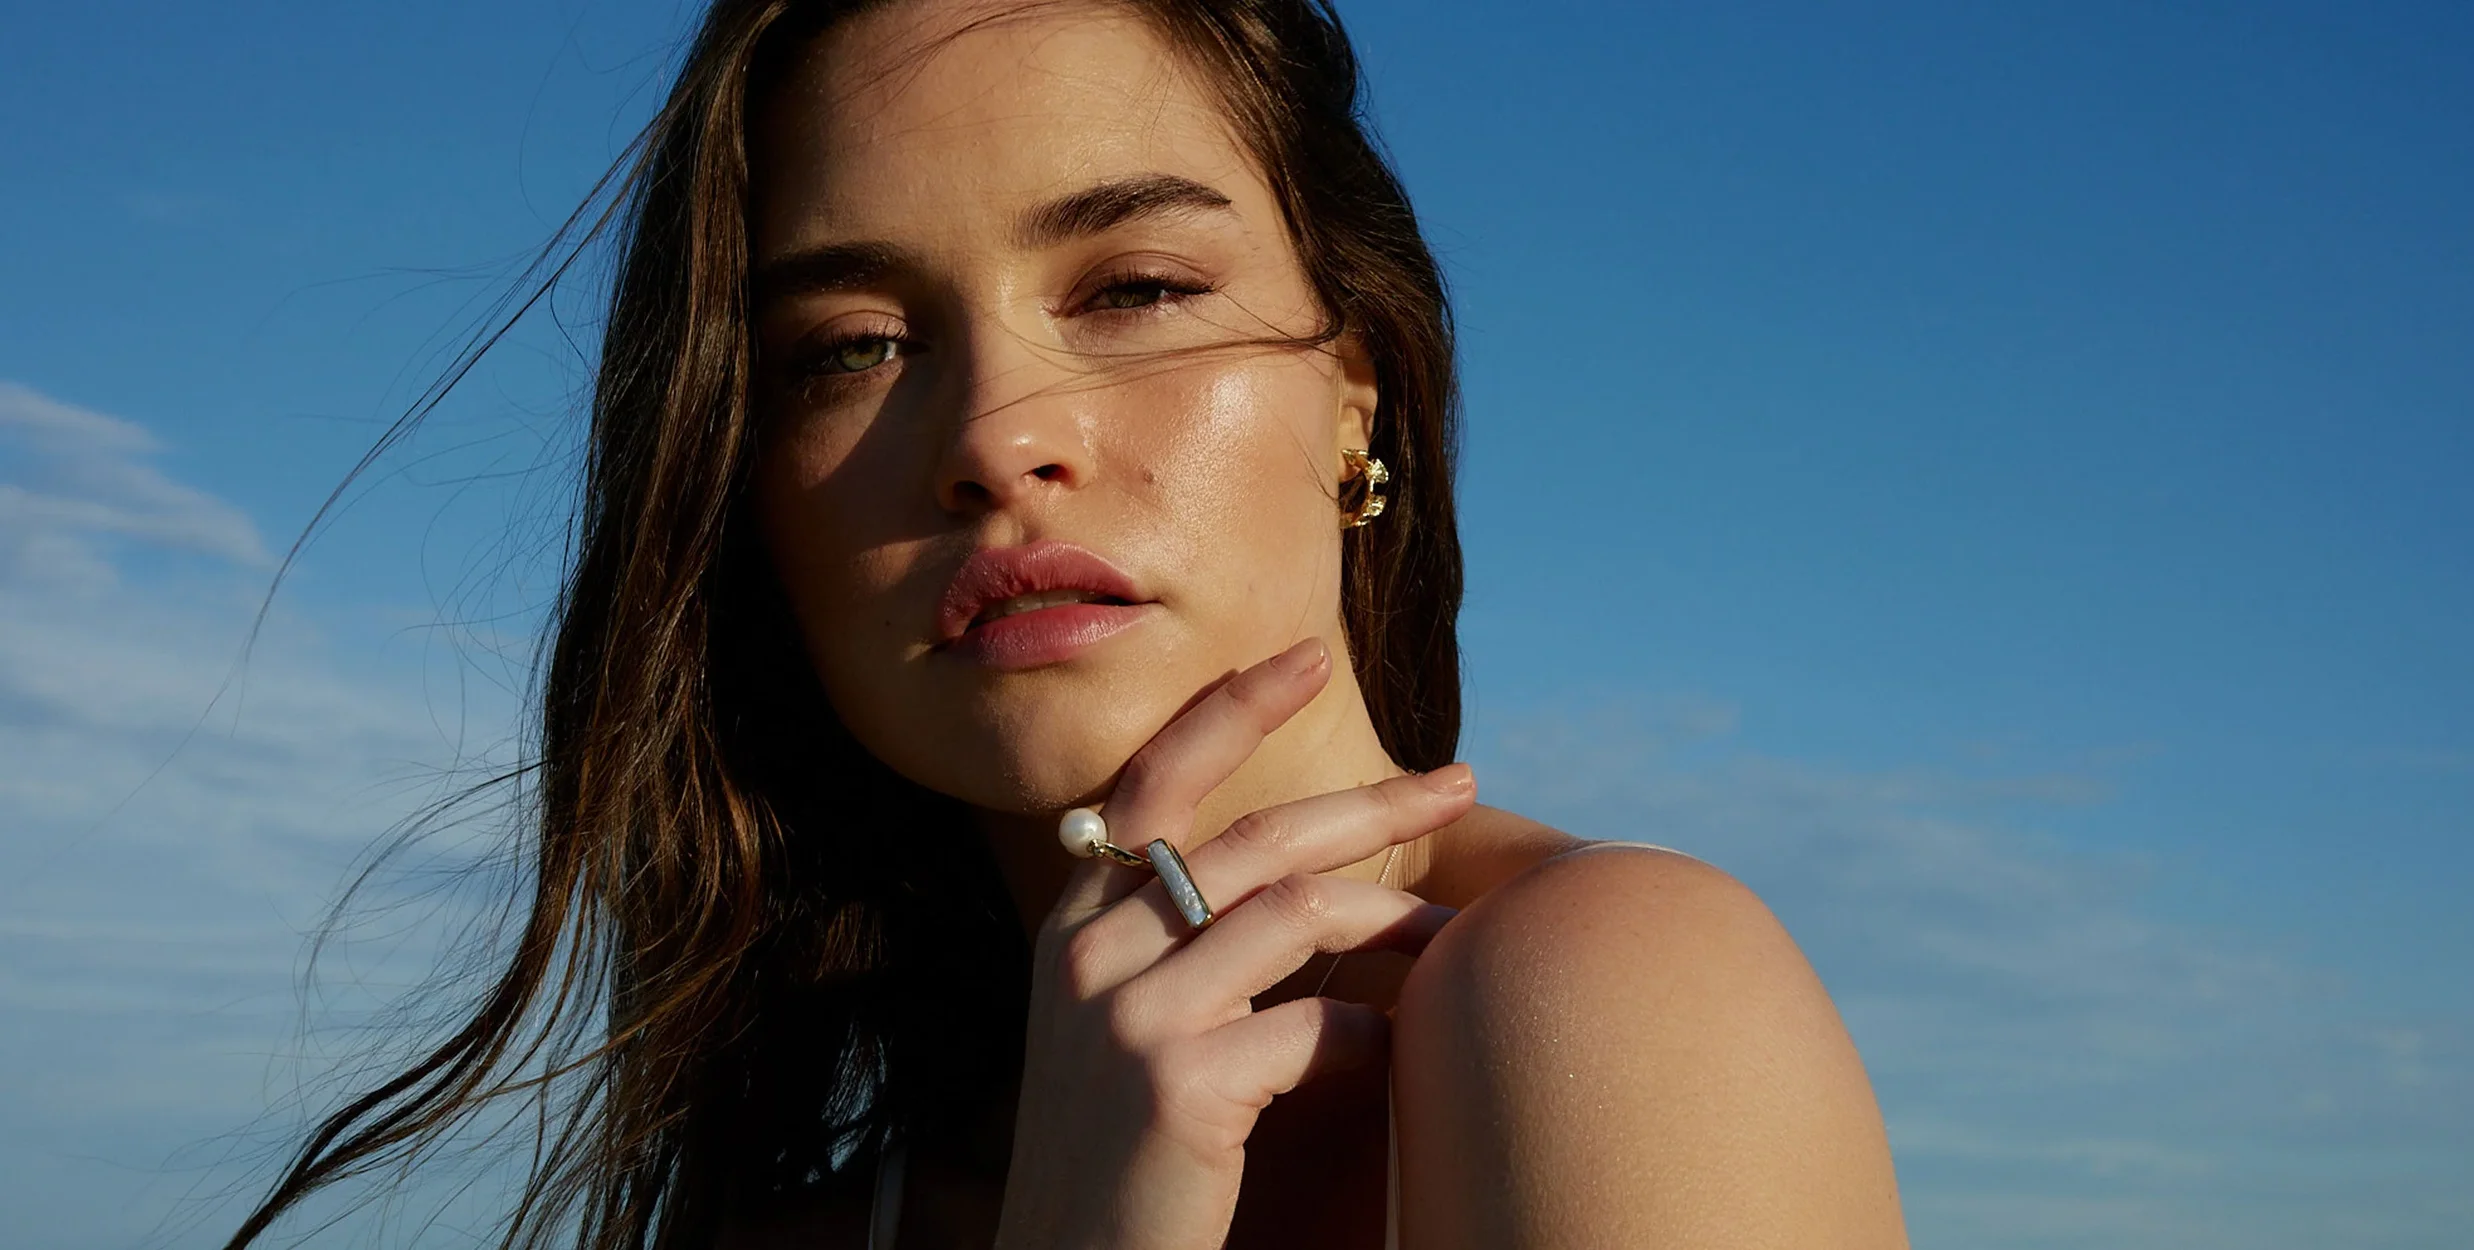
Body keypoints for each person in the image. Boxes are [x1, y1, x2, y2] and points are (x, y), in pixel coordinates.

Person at [227, 2, 1909, 1247]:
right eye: (853, 347)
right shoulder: (807, 1216)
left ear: (1356, 399)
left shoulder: (1600, 992)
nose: (993, 435)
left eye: (1137, 290)